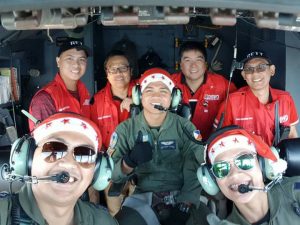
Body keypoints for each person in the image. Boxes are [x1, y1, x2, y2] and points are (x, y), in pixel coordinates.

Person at [110, 68, 209, 225]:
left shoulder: (186, 127)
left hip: (183, 194)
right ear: (139, 97)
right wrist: (128, 162)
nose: (156, 95)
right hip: (142, 197)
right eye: (149, 90)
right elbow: (113, 175)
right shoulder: (125, 130)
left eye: (163, 91)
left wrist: (185, 204)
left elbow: (196, 167)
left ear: (173, 98)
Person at [0, 113, 118, 225]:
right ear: (27, 158)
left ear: (97, 171)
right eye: (53, 149)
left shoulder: (103, 221)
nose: (69, 163)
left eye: (85, 154)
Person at [199, 126, 300, 225]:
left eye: (244, 160)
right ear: (213, 180)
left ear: (263, 165)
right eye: (221, 168)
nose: (234, 174)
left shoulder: (296, 191)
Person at [214, 51, 299, 146]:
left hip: (280, 158)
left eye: (261, 67)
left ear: (272, 70)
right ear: (244, 75)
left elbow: (292, 134)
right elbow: (219, 139)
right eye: (249, 69)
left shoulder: (285, 99)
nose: (255, 73)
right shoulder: (232, 102)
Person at [90, 50, 136, 215]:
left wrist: (139, 103)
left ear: (131, 71)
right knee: (115, 213)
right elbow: (94, 137)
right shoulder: (96, 101)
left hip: (141, 166)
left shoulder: (145, 93)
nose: (118, 73)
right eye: (113, 69)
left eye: (123, 68)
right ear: (107, 74)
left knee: (142, 211)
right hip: (111, 168)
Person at [172, 41, 236, 140]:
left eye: (198, 60)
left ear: (205, 64)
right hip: (177, 142)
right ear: (180, 65)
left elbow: (239, 106)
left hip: (212, 144)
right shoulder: (169, 83)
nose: (193, 65)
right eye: (187, 60)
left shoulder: (222, 85)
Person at [29, 37, 91, 132]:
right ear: (58, 61)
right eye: (70, 59)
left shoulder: (84, 91)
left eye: (81, 59)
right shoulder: (45, 98)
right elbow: (44, 142)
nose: (76, 65)